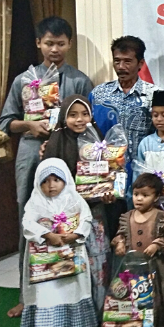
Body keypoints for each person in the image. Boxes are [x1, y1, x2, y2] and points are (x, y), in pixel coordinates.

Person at [0, 16, 94, 319]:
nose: (55, 49)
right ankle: (26, 295)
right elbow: (6, 123)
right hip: (31, 153)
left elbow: (87, 122)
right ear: (39, 43)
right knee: (29, 216)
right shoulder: (24, 80)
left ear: (69, 44)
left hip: (68, 153)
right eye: (49, 43)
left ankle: (71, 291)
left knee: (70, 216)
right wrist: (29, 125)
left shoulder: (79, 80)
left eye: (61, 43)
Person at [19, 159, 97, 327]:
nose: (51, 185)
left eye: (56, 180)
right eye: (45, 181)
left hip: (71, 253)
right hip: (45, 260)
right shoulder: (35, 202)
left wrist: (75, 235)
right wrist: (48, 235)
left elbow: (86, 219)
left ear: (65, 180)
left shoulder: (74, 199)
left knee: (73, 289)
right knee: (46, 293)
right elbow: (27, 223)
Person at [42, 95, 110, 312]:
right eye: (73, 115)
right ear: (64, 117)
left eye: (84, 114)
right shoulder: (56, 143)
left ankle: (98, 310)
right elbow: (47, 184)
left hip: (95, 212)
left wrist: (108, 193)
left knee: (98, 260)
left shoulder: (98, 141)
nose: (79, 119)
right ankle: (73, 313)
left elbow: (109, 175)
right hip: (66, 217)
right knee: (70, 261)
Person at [88, 36, 158, 234]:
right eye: (117, 61)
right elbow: (88, 135)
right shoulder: (98, 95)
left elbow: (160, 135)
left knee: (141, 235)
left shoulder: (153, 95)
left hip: (141, 176)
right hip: (107, 177)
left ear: (140, 63)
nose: (121, 67)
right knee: (111, 233)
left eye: (127, 61)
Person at [112, 173, 164, 327]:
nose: (139, 199)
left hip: (156, 265)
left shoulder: (160, 216)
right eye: (136, 194)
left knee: (160, 293)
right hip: (132, 266)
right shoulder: (127, 217)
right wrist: (120, 243)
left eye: (145, 195)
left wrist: (157, 244)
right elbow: (120, 234)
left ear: (156, 197)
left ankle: (160, 324)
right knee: (133, 294)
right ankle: (134, 323)